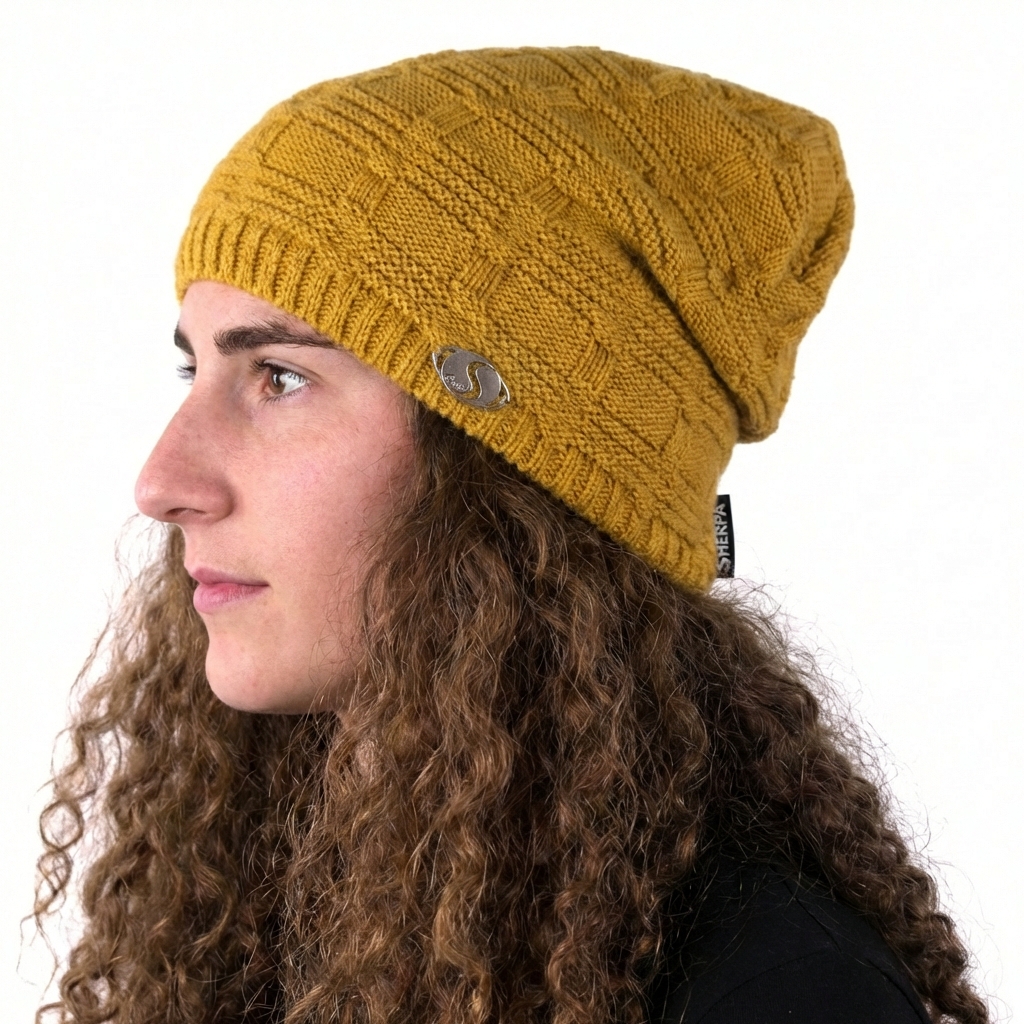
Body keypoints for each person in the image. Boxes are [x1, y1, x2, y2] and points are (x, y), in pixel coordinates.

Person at [34, 47, 988, 1024]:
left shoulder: (775, 993)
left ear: (507, 477)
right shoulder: (267, 919)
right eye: (191, 371)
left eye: (280, 376)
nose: (163, 483)